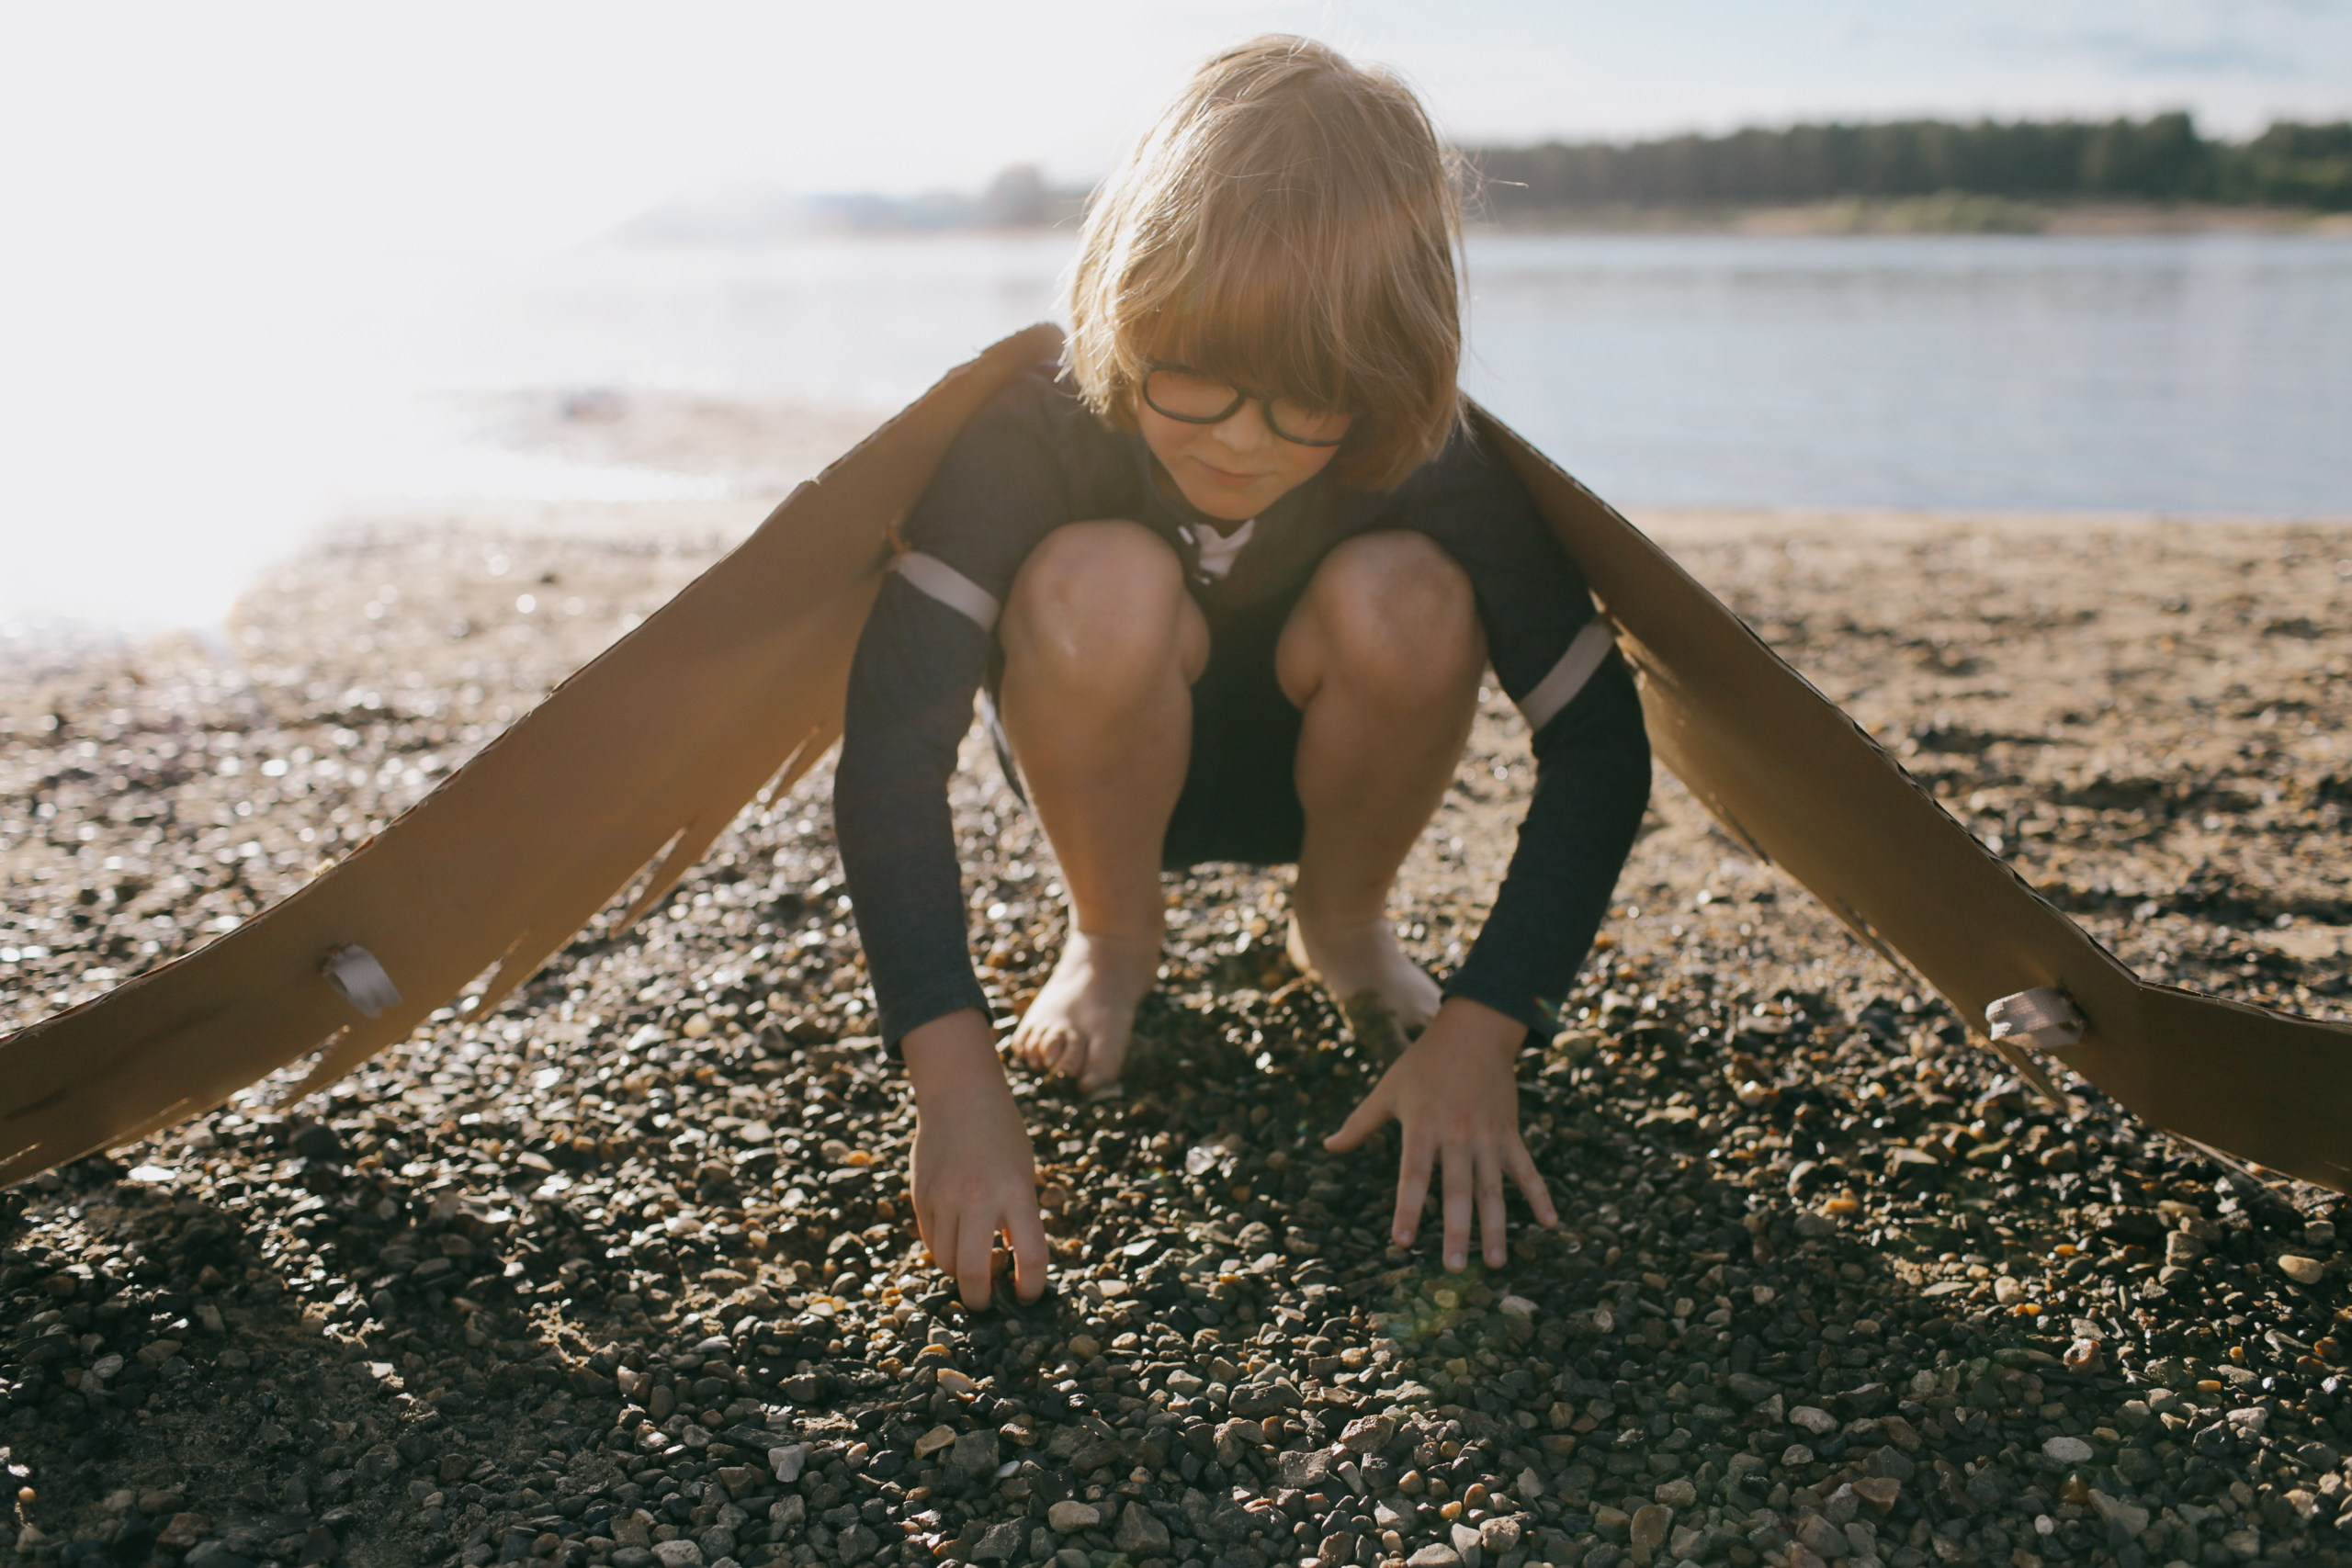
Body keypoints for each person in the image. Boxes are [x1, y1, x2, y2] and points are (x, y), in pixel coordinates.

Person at [833, 35, 1651, 1309]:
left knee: (1410, 598)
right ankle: (1111, 936)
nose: (1238, 443)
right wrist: (952, 1077)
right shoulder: (1035, 425)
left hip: (1323, 770)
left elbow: (1601, 745)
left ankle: (1343, 926)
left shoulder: (1429, 451)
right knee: (1102, 576)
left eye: (1302, 405)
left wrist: (1488, 1027)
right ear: (1126, 297)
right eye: (1194, 380)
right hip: (1101, 736)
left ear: (1381, 378)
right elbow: (892, 742)